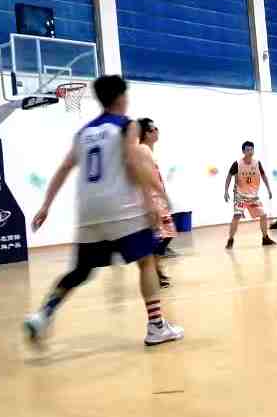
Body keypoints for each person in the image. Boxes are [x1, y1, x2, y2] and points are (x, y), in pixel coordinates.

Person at [24, 75, 183, 347]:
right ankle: (157, 326)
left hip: (88, 212)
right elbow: (133, 162)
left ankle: (43, 314)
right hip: (121, 206)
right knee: (146, 261)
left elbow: (64, 168)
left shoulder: (84, 132)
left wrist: (46, 205)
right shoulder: (127, 125)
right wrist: (153, 199)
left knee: (81, 271)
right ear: (121, 97)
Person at [137, 118, 178, 289]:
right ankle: (155, 271)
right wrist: (152, 201)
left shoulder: (147, 151)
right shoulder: (143, 150)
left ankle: (157, 270)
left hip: (157, 199)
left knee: (166, 234)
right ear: (146, 133)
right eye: (153, 129)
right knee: (161, 236)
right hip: (153, 200)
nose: (156, 131)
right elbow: (144, 178)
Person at [223, 141, 276, 250]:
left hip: (253, 197)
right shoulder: (237, 163)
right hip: (240, 196)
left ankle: (265, 238)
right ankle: (230, 239)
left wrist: (269, 189)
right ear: (243, 151)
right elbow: (229, 176)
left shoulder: (257, 163)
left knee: (263, 215)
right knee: (236, 216)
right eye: (247, 150)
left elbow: (264, 176)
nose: (250, 151)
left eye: (251, 149)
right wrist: (226, 191)